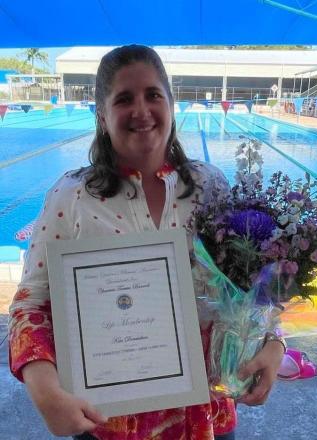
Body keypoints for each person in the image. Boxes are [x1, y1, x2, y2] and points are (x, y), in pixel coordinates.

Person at [9, 45, 285, 440]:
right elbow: (31, 302)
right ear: (102, 115)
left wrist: (274, 343)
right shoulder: (72, 196)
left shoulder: (210, 186)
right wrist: (44, 388)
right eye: (124, 99)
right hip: (109, 420)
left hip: (207, 415)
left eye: (153, 95)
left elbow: (256, 284)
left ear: (171, 105)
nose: (141, 110)